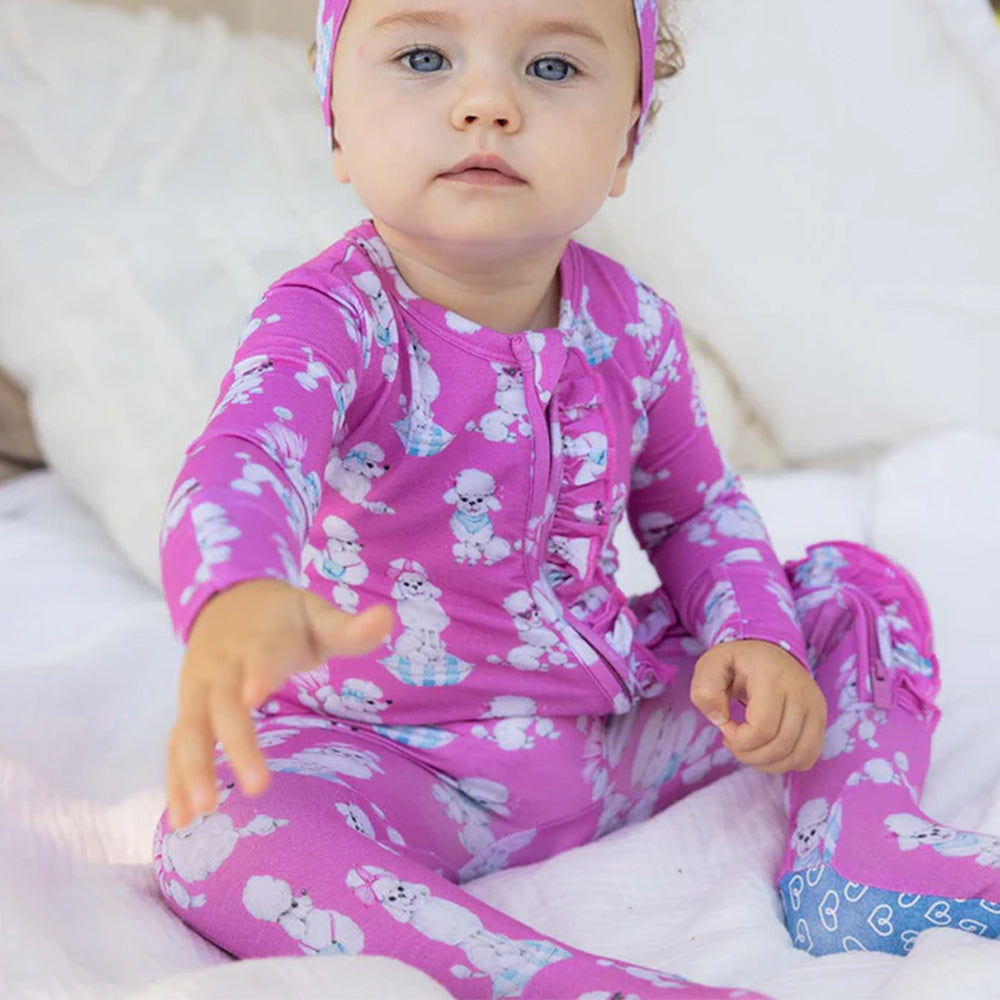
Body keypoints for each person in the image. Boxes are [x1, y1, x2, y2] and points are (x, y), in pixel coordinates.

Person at [152, 0, 1000, 996]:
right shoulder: (331, 320)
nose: (486, 103)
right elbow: (246, 453)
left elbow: (692, 510)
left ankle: (858, 852)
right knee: (215, 832)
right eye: (425, 57)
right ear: (337, 123)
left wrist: (754, 638)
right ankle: (548, 978)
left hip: (608, 725)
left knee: (850, 589)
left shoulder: (632, 322)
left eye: (551, 69)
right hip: (386, 752)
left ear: (625, 144)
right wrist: (236, 590)